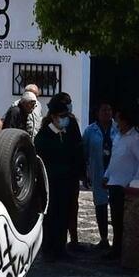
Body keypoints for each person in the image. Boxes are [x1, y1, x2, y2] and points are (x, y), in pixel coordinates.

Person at [34, 98, 83, 261]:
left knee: (64, 214)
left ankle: (60, 248)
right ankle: (49, 249)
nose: (64, 119)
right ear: (54, 116)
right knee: (51, 217)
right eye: (61, 116)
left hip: (67, 182)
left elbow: (76, 152)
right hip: (51, 183)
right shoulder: (44, 136)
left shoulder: (68, 133)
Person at [102, 107, 139, 260]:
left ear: (125, 121)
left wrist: (134, 182)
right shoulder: (118, 136)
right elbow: (114, 158)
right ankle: (115, 248)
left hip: (125, 185)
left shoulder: (135, 139)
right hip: (114, 182)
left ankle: (121, 250)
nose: (116, 122)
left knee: (122, 220)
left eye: (118, 119)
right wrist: (106, 175)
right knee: (115, 219)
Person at [83, 101, 118, 250]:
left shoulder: (118, 128)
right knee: (100, 205)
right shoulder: (90, 131)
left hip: (116, 173)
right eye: (104, 110)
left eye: (109, 109)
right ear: (97, 113)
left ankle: (117, 239)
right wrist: (85, 173)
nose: (107, 113)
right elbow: (84, 152)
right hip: (98, 172)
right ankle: (103, 238)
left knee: (116, 206)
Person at [55, 92, 84, 248]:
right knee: (63, 207)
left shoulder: (71, 121)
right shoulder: (53, 123)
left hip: (71, 172)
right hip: (61, 172)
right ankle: (60, 241)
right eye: (68, 102)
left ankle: (73, 239)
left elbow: (78, 146)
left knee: (73, 206)